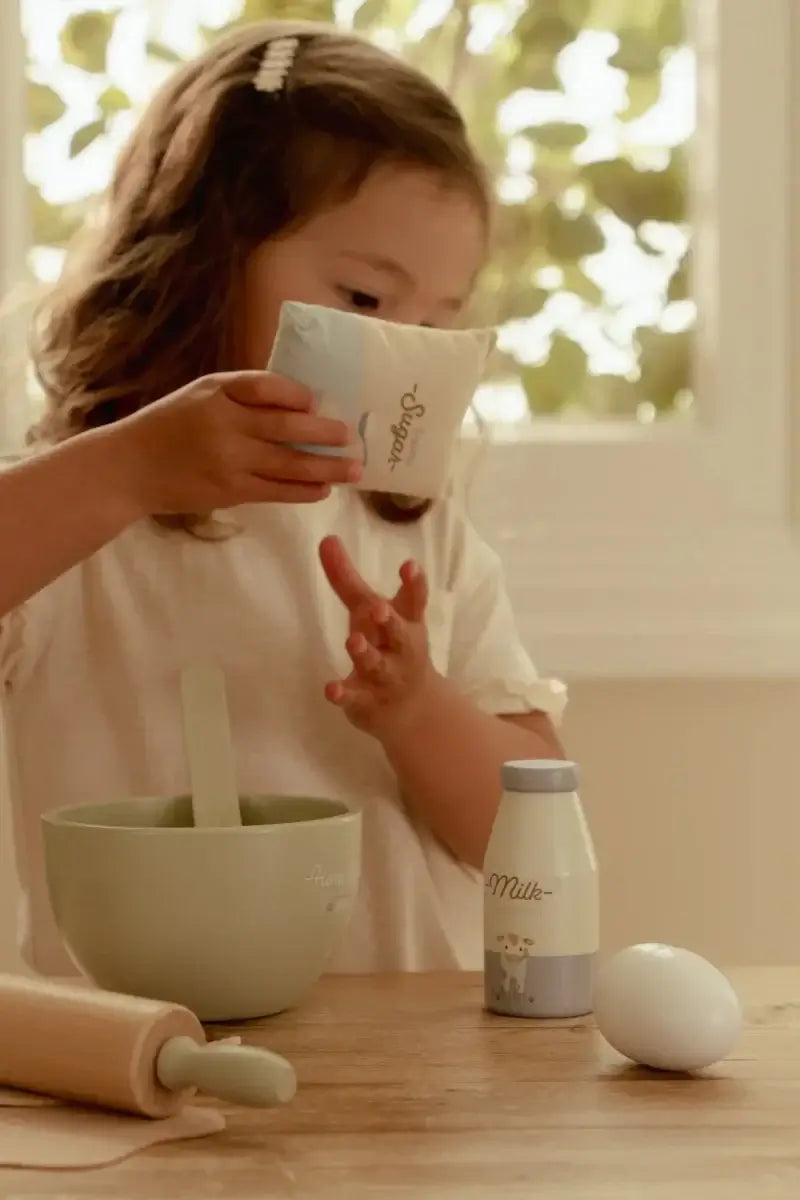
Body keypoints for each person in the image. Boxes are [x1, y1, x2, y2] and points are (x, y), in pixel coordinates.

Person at [2, 20, 567, 977]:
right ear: (204, 255)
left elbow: (535, 843)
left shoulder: (422, 534)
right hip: (131, 1061)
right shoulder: (75, 508)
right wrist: (132, 470)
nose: (405, 353)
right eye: (364, 301)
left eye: (440, 320)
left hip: (409, 1075)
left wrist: (417, 709)